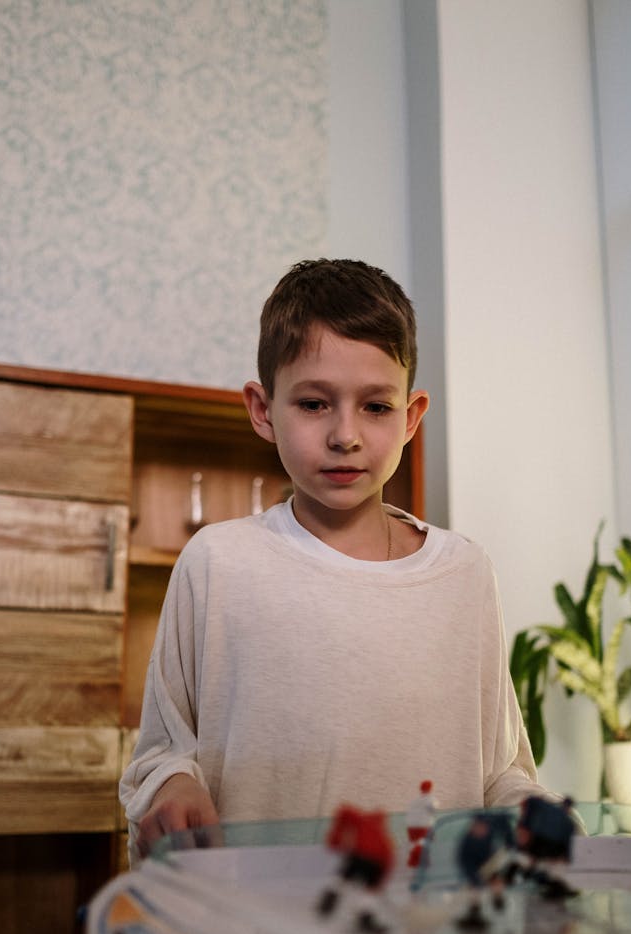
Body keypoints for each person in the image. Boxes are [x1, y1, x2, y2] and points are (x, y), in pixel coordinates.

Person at [120, 258, 555, 860]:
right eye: (314, 403)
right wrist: (173, 784)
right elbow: (160, 754)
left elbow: (500, 770)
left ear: (410, 418)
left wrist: (532, 815)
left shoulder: (466, 574)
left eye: (375, 407)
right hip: (257, 926)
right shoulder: (217, 564)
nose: (345, 435)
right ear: (263, 409)